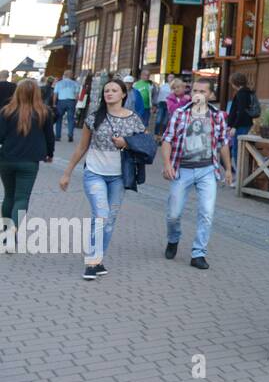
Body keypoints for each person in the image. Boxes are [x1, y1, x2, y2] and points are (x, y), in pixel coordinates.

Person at [58, 77, 147, 280]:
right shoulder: (94, 118)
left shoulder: (133, 119)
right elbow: (82, 147)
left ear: (123, 94)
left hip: (119, 177)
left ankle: (98, 259)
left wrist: (126, 143)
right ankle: (91, 262)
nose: (109, 93)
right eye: (107, 90)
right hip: (94, 173)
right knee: (101, 215)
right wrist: (67, 173)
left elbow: (145, 144)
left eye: (114, 90)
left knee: (109, 220)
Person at [160, 78, 232, 269]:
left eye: (203, 91)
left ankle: (198, 253)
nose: (198, 94)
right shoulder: (180, 114)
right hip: (182, 169)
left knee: (206, 213)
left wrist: (229, 169)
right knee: (173, 214)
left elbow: (224, 143)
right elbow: (167, 139)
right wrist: (167, 164)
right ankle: (173, 239)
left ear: (210, 95)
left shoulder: (218, 116)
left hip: (207, 170)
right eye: (195, 91)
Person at [0, 79, 56, 242]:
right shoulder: (43, 112)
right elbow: (49, 137)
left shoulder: (6, 111)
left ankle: (5, 230)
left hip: (6, 158)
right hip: (30, 161)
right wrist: (49, 154)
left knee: (9, 195)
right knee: (22, 198)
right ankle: (12, 233)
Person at [227, 73, 257, 185]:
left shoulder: (241, 94)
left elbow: (240, 112)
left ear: (235, 82)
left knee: (237, 152)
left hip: (241, 126)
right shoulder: (247, 92)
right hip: (245, 125)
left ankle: (241, 179)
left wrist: (234, 126)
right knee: (240, 151)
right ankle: (242, 178)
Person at [54, 70, 80, 142]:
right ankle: (70, 135)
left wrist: (54, 103)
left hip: (61, 102)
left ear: (64, 75)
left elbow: (55, 94)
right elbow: (77, 95)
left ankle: (58, 136)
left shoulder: (58, 83)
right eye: (72, 74)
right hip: (71, 101)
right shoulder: (75, 83)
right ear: (70, 75)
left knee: (59, 119)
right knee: (70, 119)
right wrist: (75, 103)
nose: (73, 75)